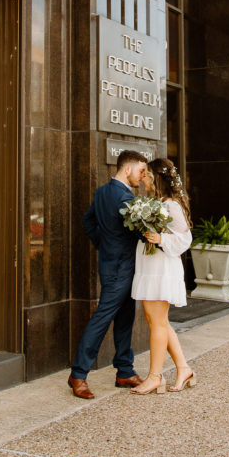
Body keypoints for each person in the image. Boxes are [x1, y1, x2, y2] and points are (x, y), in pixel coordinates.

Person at [68, 150, 148, 399]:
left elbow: (87, 220)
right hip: (119, 269)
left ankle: (125, 370)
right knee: (102, 319)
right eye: (141, 170)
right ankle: (78, 374)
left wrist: (102, 245)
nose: (142, 176)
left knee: (125, 318)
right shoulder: (124, 197)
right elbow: (137, 232)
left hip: (116, 265)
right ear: (127, 169)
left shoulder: (103, 191)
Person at [130, 157, 195, 395]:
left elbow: (185, 238)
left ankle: (155, 377)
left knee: (156, 322)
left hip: (162, 269)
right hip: (151, 266)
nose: (144, 178)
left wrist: (161, 239)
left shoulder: (170, 205)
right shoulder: (154, 203)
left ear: (156, 178)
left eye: (147, 174)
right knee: (157, 322)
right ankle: (184, 368)